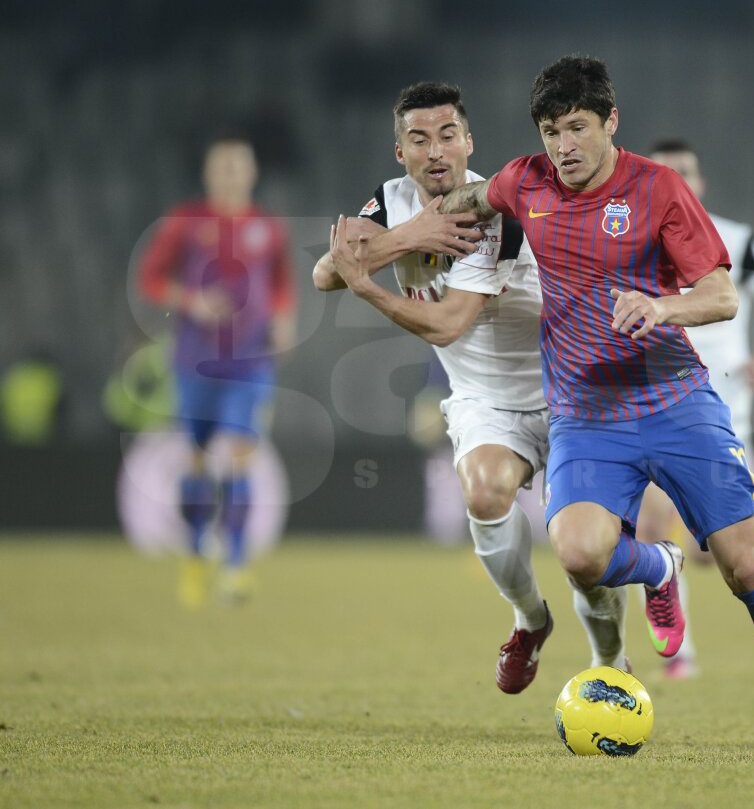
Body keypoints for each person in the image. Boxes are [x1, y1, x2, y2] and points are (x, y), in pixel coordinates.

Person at [434, 56, 754, 752]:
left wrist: (660, 308)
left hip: (676, 401)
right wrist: (396, 237)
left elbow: (720, 294)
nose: (563, 146)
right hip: (585, 414)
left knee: (747, 566)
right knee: (577, 552)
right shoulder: (524, 181)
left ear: (610, 123)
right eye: (550, 130)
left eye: (577, 128)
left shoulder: (657, 190)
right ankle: (658, 566)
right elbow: (468, 203)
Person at [314, 82, 633, 694]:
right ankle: (530, 620)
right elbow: (324, 270)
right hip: (487, 402)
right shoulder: (394, 200)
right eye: (419, 139)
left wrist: (370, 283)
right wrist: (410, 236)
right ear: (399, 152)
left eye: (447, 135)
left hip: (569, 394)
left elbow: (446, 323)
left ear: (468, 142)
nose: (435, 151)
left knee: (586, 556)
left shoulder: (500, 208)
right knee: (484, 492)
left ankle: (610, 664)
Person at [635, 138, 754, 680]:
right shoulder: (632, 238)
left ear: (700, 181)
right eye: (665, 171)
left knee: (719, 551)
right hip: (659, 396)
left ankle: (681, 561)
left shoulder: (734, 238)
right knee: (653, 518)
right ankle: (678, 653)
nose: (677, 178)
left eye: (685, 170)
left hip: (722, 403)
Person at [137, 132, 296, 608]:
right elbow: (149, 279)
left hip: (250, 361)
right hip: (195, 361)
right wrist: (192, 301)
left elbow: (282, 283)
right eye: (222, 167)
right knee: (198, 461)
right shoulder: (185, 223)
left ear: (251, 173)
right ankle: (193, 552)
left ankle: (236, 566)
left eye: (238, 167)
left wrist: (284, 320)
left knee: (241, 452)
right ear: (209, 174)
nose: (230, 175)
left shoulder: (267, 228)